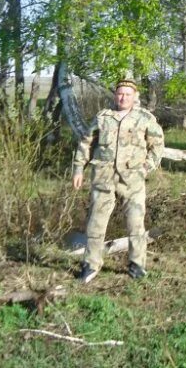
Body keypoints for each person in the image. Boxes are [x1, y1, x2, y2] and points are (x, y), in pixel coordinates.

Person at [72, 79, 164, 283]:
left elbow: (157, 146)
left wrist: (145, 168)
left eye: (127, 95)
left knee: (135, 223)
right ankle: (91, 264)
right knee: (96, 222)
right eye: (120, 94)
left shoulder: (144, 118)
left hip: (132, 180)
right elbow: (86, 143)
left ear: (134, 97)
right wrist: (79, 169)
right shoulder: (103, 117)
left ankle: (137, 265)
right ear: (115, 95)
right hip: (103, 178)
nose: (123, 98)